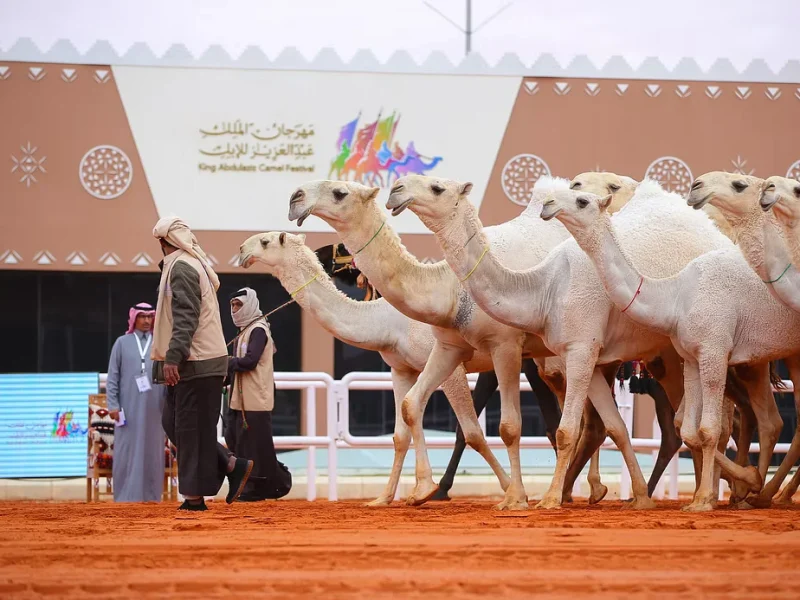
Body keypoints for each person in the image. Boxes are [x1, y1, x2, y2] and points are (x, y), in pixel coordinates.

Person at [151, 216, 253, 511]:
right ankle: (230, 463)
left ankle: (194, 498)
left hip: (197, 362)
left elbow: (186, 316)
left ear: (162, 242)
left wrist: (174, 356)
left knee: (189, 430)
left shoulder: (182, 267)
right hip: (197, 362)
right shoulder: (186, 264)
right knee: (175, 424)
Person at [223, 288, 292, 502]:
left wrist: (226, 362)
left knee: (254, 446)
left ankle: (259, 487)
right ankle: (250, 485)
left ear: (250, 305)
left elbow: (250, 361)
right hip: (239, 400)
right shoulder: (244, 330)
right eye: (233, 305)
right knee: (233, 439)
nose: (235, 310)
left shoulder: (259, 330)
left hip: (255, 401)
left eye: (239, 305)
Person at [105, 302, 167, 502]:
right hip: (127, 409)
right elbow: (113, 377)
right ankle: (125, 497)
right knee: (126, 451)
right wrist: (113, 406)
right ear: (134, 319)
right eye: (143, 316)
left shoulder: (160, 342)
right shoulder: (122, 343)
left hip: (155, 408)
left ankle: (151, 496)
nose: (147, 321)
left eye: (150, 316)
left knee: (153, 452)